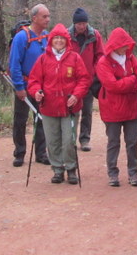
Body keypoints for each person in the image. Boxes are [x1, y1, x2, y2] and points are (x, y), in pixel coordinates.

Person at [27, 23, 92, 184]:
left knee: (69, 140)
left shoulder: (74, 58)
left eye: (61, 38)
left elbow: (84, 79)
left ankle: (71, 169)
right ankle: (57, 170)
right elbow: (34, 81)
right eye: (55, 38)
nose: (58, 41)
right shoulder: (43, 59)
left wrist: (76, 95)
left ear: (66, 40)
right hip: (48, 107)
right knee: (52, 141)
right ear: (51, 40)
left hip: (70, 107)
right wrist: (36, 92)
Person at [96, 27, 137, 187]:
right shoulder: (103, 62)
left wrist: (125, 81)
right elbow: (112, 86)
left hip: (131, 108)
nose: (126, 47)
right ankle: (113, 174)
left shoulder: (131, 58)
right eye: (124, 44)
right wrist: (130, 80)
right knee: (113, 142)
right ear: (115, 45)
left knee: (132, 142)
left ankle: (133, 173)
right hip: (112, 109)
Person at [8, 4, 50, 166]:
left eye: (48, 16)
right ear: (34, 18)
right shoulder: (21, 37)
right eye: (44, 16)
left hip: (41, 86)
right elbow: (14, 64)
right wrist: (19, 87)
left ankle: (41, 153)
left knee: (41, 118)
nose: (47, 19)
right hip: (24, 85)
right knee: (20, 119)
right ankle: (19, 153)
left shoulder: (47, 37)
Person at [69, 8, 105, 152]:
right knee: (72, 111)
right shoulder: (66, 35)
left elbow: (100, 55)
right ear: (74, 23)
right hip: (72, 81)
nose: (82, 26)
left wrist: (95, 72)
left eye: (84, 23)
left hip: (89, 80)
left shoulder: (94, 35)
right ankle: (71, 139)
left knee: (87, 111)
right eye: (79, 24)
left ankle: (85, 139)